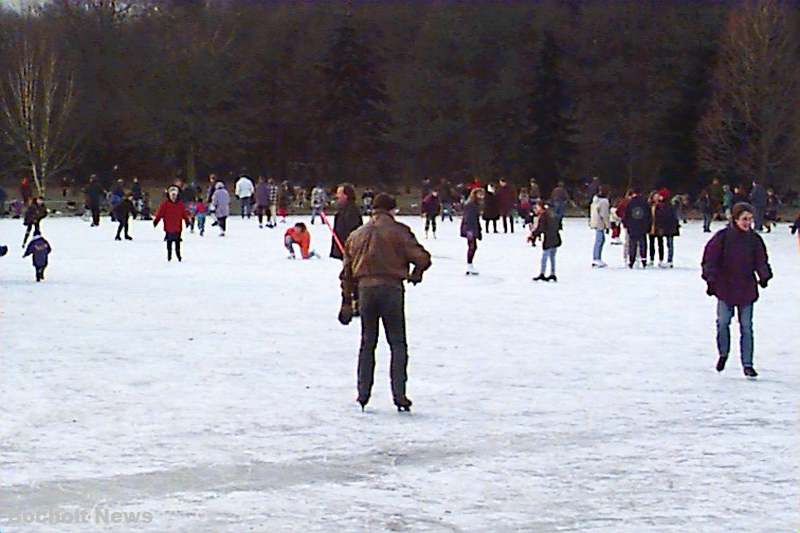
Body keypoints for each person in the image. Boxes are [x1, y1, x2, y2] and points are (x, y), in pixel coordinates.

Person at [338, 193, 431, 412]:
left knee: (367, 342)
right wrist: (416, 273)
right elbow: (423, 258)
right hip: (392, 289)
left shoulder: (357, 234)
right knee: (397, 343)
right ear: (392, 210)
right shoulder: (399, 231)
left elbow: (346, 273)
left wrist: (346, 302)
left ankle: (363, 394)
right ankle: (399, 395)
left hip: (365, 291)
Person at [702, 202, 772, 377]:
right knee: (723, 322)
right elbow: (710, 260)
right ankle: (723, 353)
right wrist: (711, 280)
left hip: (746, 288)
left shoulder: (755, 240)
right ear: (735, 219)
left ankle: (747, 363)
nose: (748, 223)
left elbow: (761, 260)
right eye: (744, 219)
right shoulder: (722, 238)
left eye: (750, 219)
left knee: (747, 327)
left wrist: (764, 276)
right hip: (725, 288)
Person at [153, 186, 189, 261]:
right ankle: (169, 255)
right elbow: (160, 213)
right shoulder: (165, 204)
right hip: (168, 226)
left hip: (178, 226)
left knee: (177, 242)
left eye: (175, 195)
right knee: (169, 241)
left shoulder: (180, 204)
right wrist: (156, 220)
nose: (173, 197)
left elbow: (184, 213)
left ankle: (178, 255)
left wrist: (187, 220)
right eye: (172, 195)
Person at [330, 183, 363, 260]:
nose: (337, 196)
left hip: (349, 249)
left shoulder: (351, 210)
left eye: (339, 193)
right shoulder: (342, 209)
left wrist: (348, 247)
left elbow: (353, 230)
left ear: (346, 195)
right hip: (343, 247)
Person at [531, 201, 562, 281]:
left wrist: (533, 235)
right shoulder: (551, 213)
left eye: (537, 207)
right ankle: (553, 273)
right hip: (555, 237)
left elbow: (540, 228)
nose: (536, 209)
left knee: (544, 257)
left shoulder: (544, 216)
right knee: (552, 257)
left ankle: (542, 273)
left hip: (549, 239)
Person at [623, 187, 651, 268]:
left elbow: (626, 215)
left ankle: (632, 260)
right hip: (643, 226)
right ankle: (644, 260)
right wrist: (648, 226)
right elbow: (649, 216)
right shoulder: (645, 203)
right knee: (643, 244)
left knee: (632, 244)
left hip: (632, 227)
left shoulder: (630, 203)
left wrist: (626, 225)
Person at [461, 188, 483, 275]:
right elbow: (469, 218)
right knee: (472, 246)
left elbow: (476, 219)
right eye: (480, 194)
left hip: (473, 228)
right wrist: (469, 230)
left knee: (473, 246)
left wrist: (479, 230)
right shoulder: (471, 205)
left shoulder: (475, 204)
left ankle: (470, 265)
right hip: (469, 228)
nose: (481, 196)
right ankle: (469, 266)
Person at [654, 193, 680, 267]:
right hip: (670, 228)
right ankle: (669, 260)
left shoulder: (663, 207)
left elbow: (662, 218)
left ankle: (668, 260)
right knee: (669, 244)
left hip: (667, 227)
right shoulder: (671, 206)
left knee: (667, 244)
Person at [589, 185, 610, 267]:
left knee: (600, 240)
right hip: (600, 223)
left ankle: (597, 257)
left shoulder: (595, 200)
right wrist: (608, 225)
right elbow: (604, 215)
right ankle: (596, 258)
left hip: (595, 221)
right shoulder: (604, 202)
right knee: (599, 240)